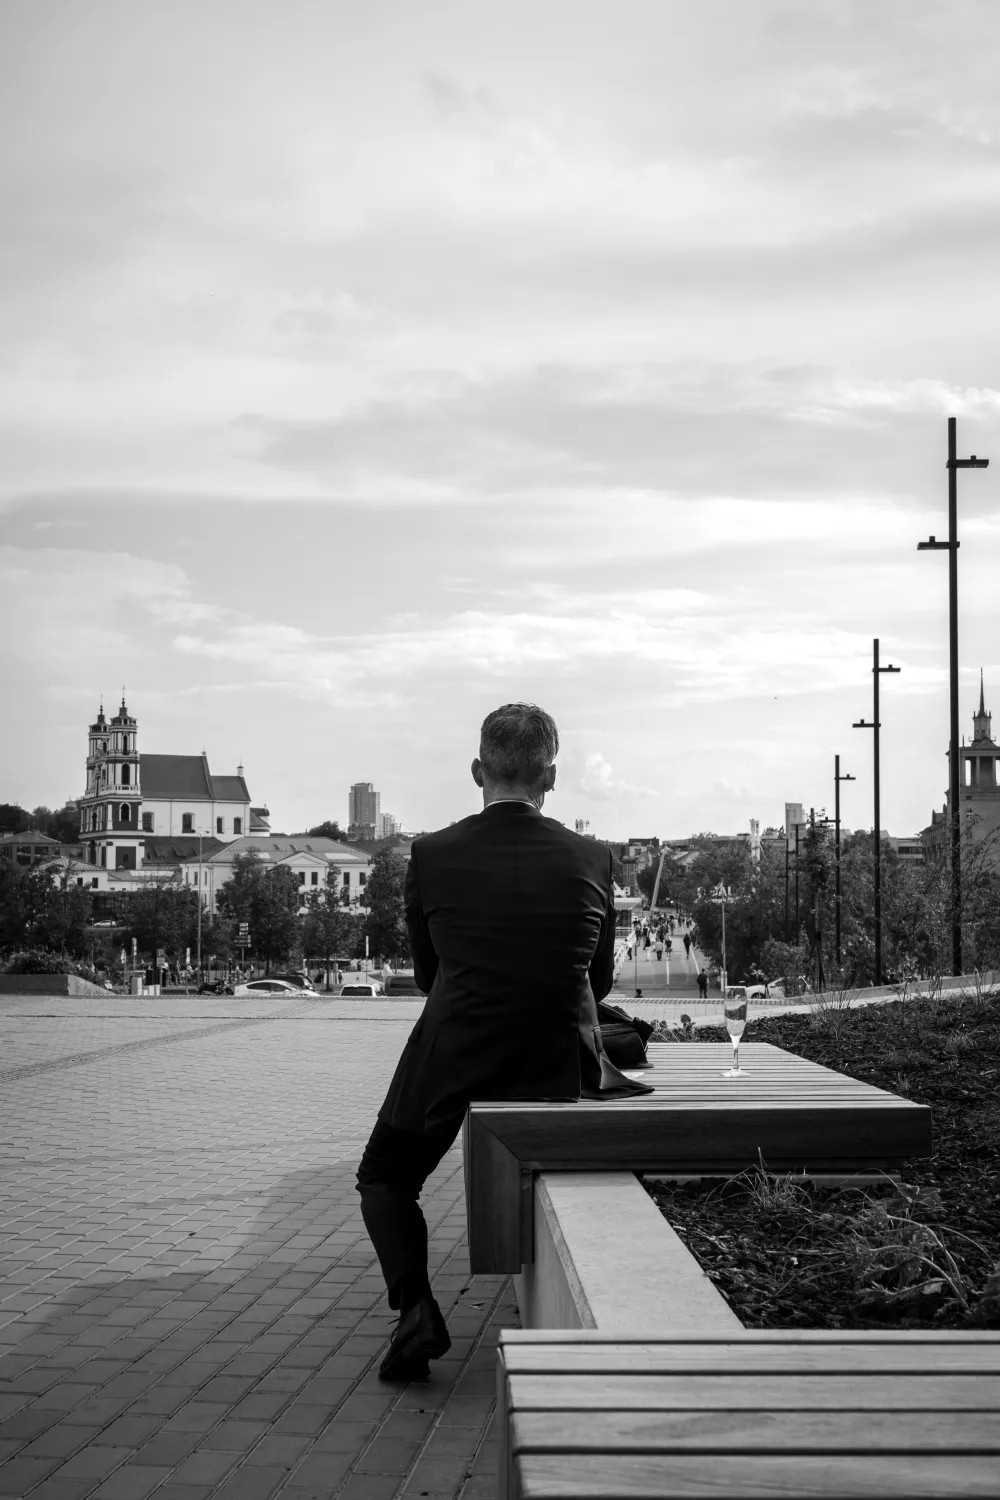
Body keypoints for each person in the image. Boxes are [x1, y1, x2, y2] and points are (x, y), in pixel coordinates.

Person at [356, 703, 623, 1382]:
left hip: (455, 1050)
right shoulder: (591, 856)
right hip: (553, 1057)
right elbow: (597, 980)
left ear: (478, 770)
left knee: (386, 1177)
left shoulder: (432, 853)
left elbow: (425, 976)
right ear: (551, 777)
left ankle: (416, 1309)